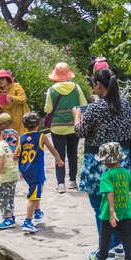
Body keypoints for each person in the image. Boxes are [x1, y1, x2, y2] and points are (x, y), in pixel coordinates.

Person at [74, 67, 131, 260]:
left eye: (93, 86)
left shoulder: (96, 108)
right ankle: (118, 244)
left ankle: (107, 248)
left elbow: (80, 131)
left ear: (98, 85)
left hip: (98, 163)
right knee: (119, 202)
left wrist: (77, 115)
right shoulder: (127, 105)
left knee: (99, 206)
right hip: (122, 160)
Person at [89, 142, 131, 260]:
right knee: (128, 239)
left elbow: (110, 193)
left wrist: (112, 212)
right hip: (126, 211)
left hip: (108, 213)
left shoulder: (107, 175)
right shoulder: (125, 172)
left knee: (105, 237)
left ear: (105, 161)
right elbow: (130, 188)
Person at [15, 112, 63, 234]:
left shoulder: (21, 138)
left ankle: (37, 211)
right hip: (35, 170)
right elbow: (52, 149)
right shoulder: (41, 136)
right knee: (33, 195)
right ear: (38, 124)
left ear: (24, 125)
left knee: (37, 189)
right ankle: (27, 222)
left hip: (25, 170)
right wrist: (58, 159)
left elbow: (16, 155)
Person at [44, 62, 86, 193]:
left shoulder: (51, 90)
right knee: (73, 154)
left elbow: (48, 109)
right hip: (73, 127)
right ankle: (73, 181)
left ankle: (61, 183)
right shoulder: (76, 87)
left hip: (57, 128)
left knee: (59, 154)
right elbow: (84, 105)